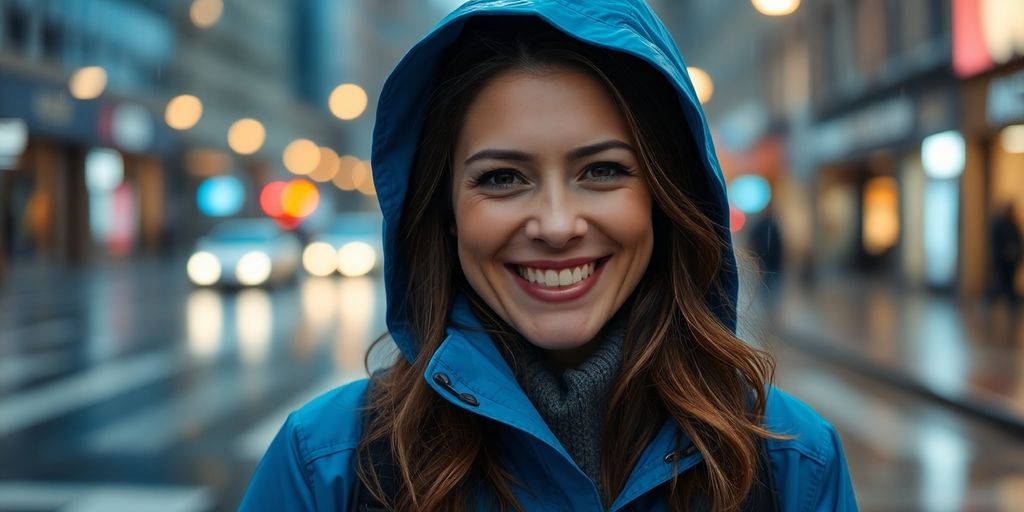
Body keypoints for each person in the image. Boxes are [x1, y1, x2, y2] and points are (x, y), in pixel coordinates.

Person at [240, 1, 858, 510]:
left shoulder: (791, 461)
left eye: (603, 170)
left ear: (664, 200)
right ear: (446, 216)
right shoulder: (327, 467)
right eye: (503, 178)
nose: (558, 226)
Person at [989, 202, 1022, 310]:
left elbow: (1018, 241)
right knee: (1000, 285)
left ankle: (1013, 308)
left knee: (1009, 286)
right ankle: (987, 301)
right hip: (1001, 261)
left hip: (1012, 261)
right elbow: (995, 243)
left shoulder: (1014, 224)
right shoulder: (999, 225)